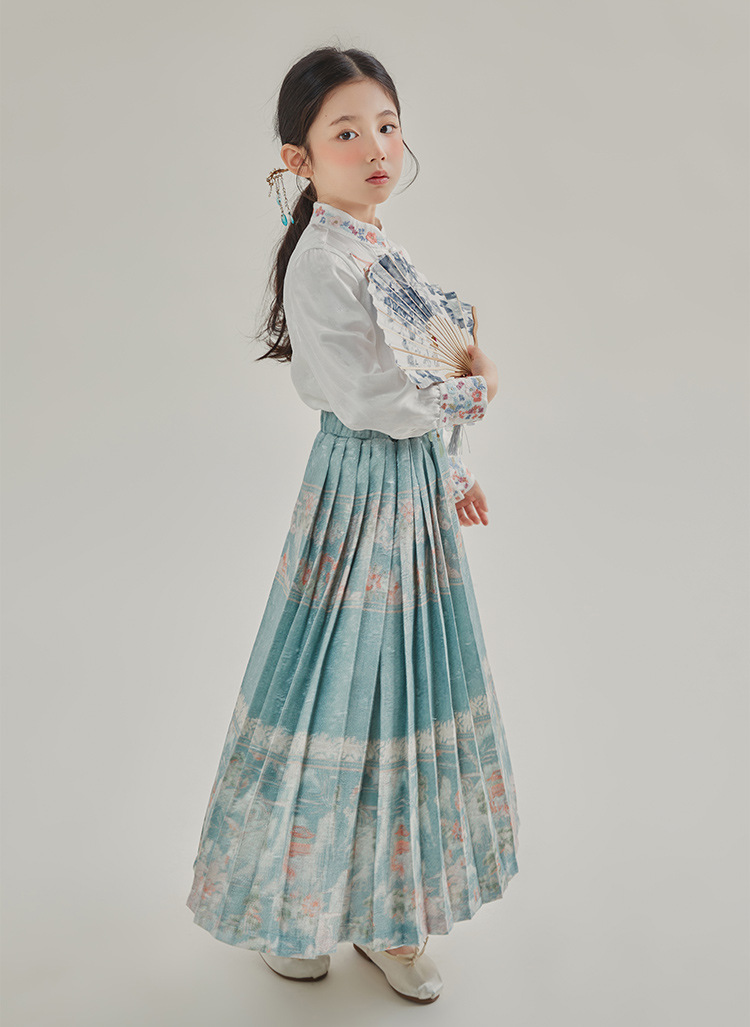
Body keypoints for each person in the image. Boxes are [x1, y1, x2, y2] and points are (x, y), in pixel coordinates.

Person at [186, 45, 520, 1005]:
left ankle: (388, 914)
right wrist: (475, 392)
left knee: (406, 687)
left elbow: (421, 368)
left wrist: (453, 467)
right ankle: (294, 910)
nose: (376, 148)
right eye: (347, 132)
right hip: (356, 495)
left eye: (387, 125)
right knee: (334, 686)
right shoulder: (322, 262)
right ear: (299, 159)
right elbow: (378, 397)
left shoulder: (376, 244)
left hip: (409, 492)